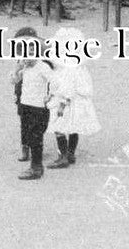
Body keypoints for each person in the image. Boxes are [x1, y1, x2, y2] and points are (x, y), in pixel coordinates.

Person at [46, 27, 101, 169]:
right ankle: (71, 153)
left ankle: (62, 156)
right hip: (79, 102)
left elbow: (66, 88)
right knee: (74, 127)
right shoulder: (81, 68)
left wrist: (61, 101)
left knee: (58, 126)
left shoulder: (66, 69)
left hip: (65, 102)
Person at [11, 32, 53, 181]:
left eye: (31, 52)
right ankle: (35, 166)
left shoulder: (43, 67)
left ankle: (36, 168)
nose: (27, 56)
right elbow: (14, 81)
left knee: (36, 138)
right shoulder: (25, 67)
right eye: (26, 52)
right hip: (26, 105)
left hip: (38, 108)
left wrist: (50, 95)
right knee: (29, 135)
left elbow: (55, 82)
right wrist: (17, 70)